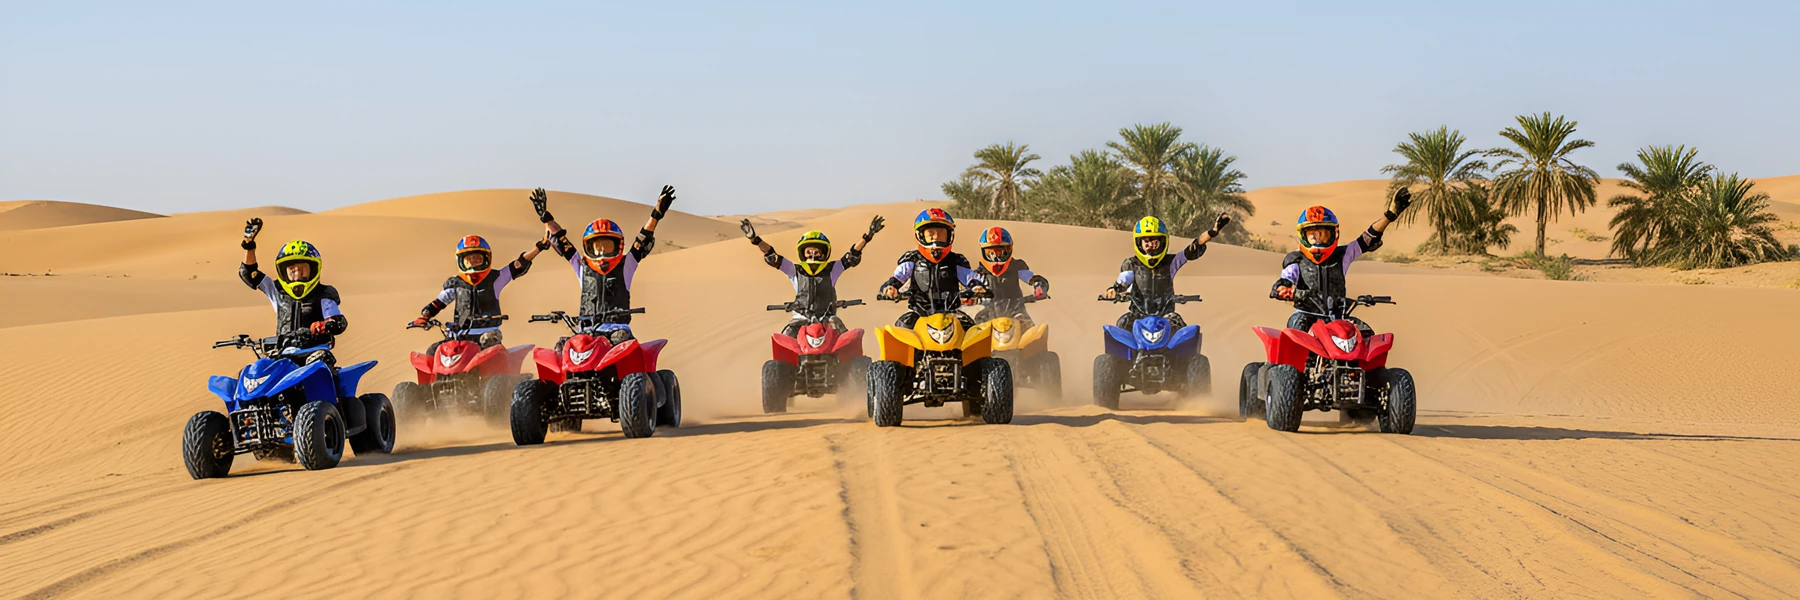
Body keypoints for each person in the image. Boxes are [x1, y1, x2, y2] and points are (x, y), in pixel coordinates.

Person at [532, 186, 676, 344]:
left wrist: (656, 214)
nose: (601, 251)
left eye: (607, 246)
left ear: (617, 245)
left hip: (618, 330)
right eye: (597, 247)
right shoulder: (583, 267)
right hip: (586, 332)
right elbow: (562, 242)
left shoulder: (626, 265)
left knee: (623, 341)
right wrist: (546, 218)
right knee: (562, 346)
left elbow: (642, 242)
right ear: (589, 247)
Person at [1270, 189, 1411, 338]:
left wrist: (1389, 216)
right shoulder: (1295, 260)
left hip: (1337, 319)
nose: (1318, 239)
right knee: (1297, 326)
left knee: (1366, 334)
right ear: (1303, 236)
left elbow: (1367, 239)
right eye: (1313, 235)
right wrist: (1282, 288)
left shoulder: (1342, 255)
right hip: (1306, 318)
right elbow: (1285, 280)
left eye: (1323, 234)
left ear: (1334, 234)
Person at [741, 215, 886, 337]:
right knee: (784, 339)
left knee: (847, 338)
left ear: (824, 253)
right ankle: (782, 363)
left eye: (817, 251)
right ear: (803, 253)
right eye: (809, 251)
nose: (812, 254)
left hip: (828, 318)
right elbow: (772, 256)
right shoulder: (795, 269)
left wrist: (867, 237)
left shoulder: (832, 269)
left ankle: (854, 361)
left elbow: (851, 256)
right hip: (800, 318)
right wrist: (755, 240)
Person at [409, 234, 547, 354]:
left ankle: (500, 376)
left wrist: (538, 247)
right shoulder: (455, 283)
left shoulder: (495, 278)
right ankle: (434, 378)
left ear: (486, 259)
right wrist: (424, 316)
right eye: (469, 260)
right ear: (461, 261)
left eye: (477, 259)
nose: (473, 262)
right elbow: (438, 303)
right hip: (459, 336)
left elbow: (518, 265)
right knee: (433, 351)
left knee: (493, 353)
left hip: (488, 334)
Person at [237, 218, 346, 365]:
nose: (297, 274)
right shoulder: (277, 290)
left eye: (303, 269)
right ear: (284, 271)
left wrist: (326, 325)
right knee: (259, 368)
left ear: (313, 269)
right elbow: (249, 274)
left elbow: (338, 322)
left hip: (315, 352)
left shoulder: (324, 293)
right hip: (284, 353)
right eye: (292, 270)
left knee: (319, 363)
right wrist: (249, 245)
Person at [1100, 212, 1232, 330]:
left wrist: (1212, 232)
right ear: (1139, 243)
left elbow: (1192, 249)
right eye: (1147, 241)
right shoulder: (1131, 264)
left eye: (1155, 241)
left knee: (1184, 331)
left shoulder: (1171, 262)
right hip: (1137, 318)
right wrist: (1115, 289)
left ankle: (1187, 352)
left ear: (1163, 242)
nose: (1151, 245)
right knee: (1121, 325)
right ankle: (1118, 352)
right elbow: (1125, 279)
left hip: (1166, 318)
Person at [877, 208, 985, 329]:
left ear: (949, 235)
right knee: (900, 329)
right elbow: (896, 279)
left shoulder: (956, 261)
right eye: (931, 234)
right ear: (920, 235)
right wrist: (889, 289)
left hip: (951, 315)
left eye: (941, 234)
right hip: (919, 315)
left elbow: (971, 278)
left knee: (973, 331)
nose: (936, 237)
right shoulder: (912, 261)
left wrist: (977, 287)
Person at [969, 226, 1050, 326]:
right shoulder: (979, 273)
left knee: (1035, 332)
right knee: (973, 328)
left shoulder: (1016, 266)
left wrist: (1039, 286)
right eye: (991, 253)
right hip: (989, 314)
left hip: (1016, 312)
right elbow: (970, 287)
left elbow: (1031, 278)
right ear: (984, 253)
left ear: (1009, 250)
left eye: (1001, 253)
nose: (996, 257)